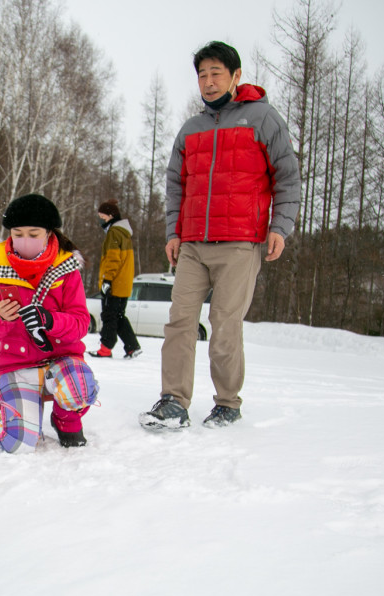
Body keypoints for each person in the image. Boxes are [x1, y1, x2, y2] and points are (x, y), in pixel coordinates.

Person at [140, 40, 299, 431]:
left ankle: (228, 403)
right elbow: (175, 185)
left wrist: (280, 228)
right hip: (193, 243)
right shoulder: (191, 128)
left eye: (216, 73)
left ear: (235, 76)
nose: (208, 82)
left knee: (225, 324)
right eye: (202, 75)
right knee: (180, 322)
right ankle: (173, 401)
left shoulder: (263, 118)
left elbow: (287, 177)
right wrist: (173, 232)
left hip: (241, 243)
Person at [0, 193, 99, 450]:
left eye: (33, 234)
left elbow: (81, 324)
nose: (24, 240)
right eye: (18, 234)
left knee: (81, 386)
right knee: (18, 444)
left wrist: (50, 320)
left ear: (49, 234)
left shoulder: (66, 269)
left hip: (61, 361)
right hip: (17, 365)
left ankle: (66, 422)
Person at [89, 199, 141, 359]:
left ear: (111, 216)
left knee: (109, 316)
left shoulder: (114, 233)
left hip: (114, 284)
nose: (100, 221)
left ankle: (105, 348)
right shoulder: (124, 233)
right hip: (124, 284)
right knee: (118, 316)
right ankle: (132, 347)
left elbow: (113, 259)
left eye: (102, 217)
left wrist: (107, 280)